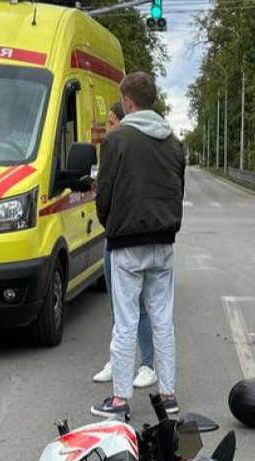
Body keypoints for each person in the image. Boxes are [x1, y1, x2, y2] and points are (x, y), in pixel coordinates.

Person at [91, 72, 185, 420]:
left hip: (127, 244)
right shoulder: (174, 143)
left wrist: (111, 225)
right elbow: (179, 190)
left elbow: (105, 193)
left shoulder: (117, 142)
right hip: (163, 242)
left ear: (128, 103)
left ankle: (120, 400)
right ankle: (169, 394)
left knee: (126, 320)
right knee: (163, 319)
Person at [92, 99, 157, 390]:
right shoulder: (112, 148)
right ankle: (118, 360)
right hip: (114, 237)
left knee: (139, 306)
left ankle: (147, 364)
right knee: (118, 306)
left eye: (112, 121)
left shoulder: (129, 147)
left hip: (130, 237)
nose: (109, 127)